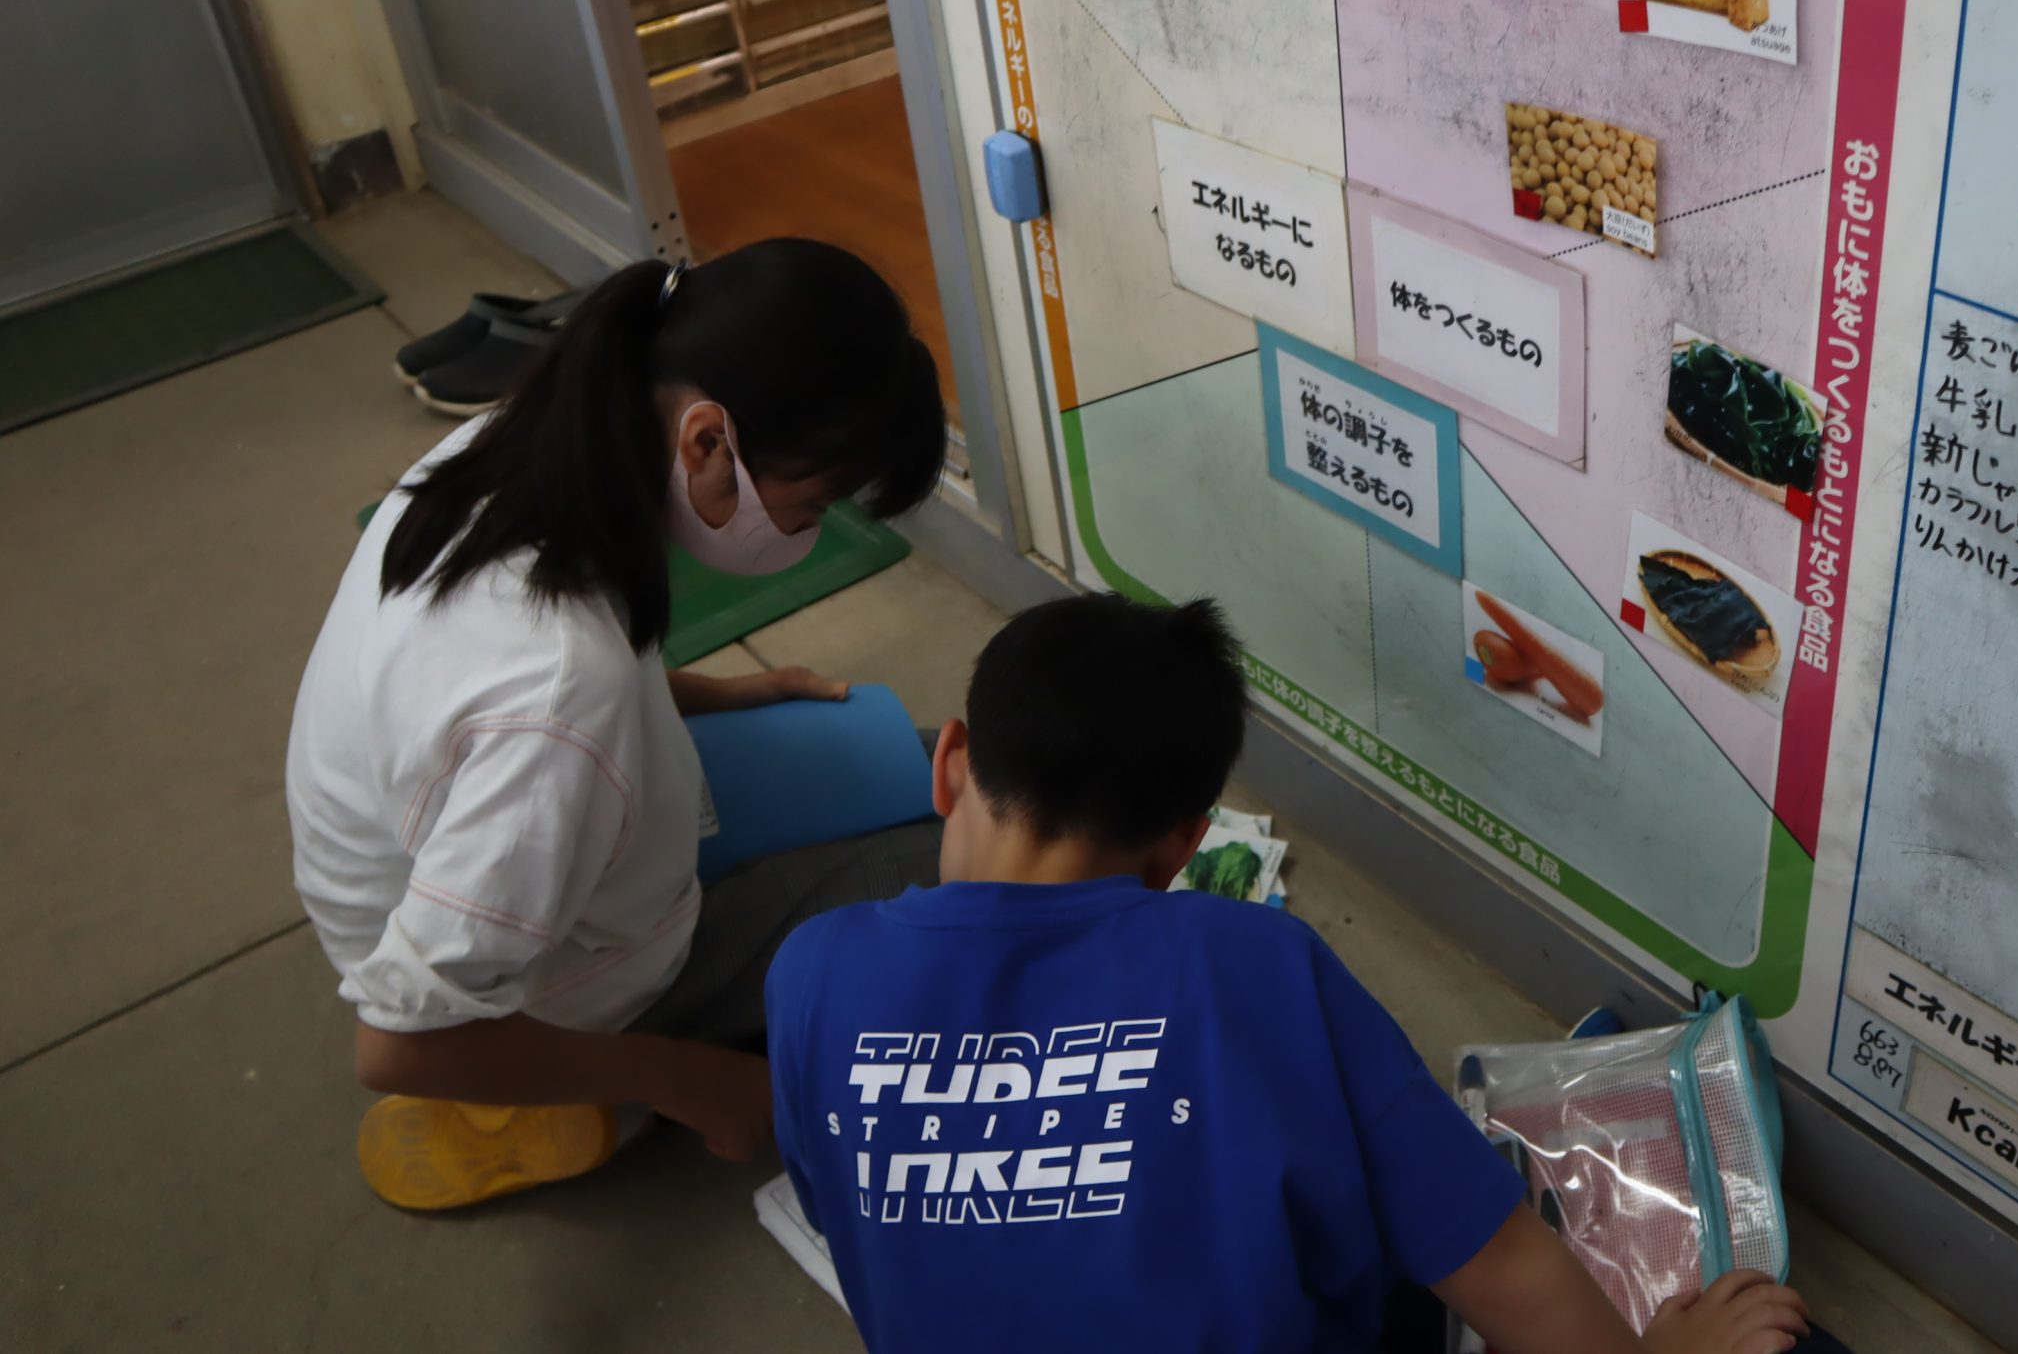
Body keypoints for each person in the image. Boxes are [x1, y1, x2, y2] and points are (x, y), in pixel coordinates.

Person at [764, 593, 1814, 1354]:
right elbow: (1491, 1257)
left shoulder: (812, 972)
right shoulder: (1251, 964)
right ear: (1183, 846)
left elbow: (845, 1206)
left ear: (949, 763)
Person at [286, 238, 949, 1212]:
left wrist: (719, 695)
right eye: (810, 503)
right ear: (707, 442)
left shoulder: (528, 445)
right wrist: (694, 1080)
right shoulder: (558, 702)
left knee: (964, 779)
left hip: (510, 846)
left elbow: (491, 708)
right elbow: (398, 1041)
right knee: (980, 871)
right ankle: (581, 1095)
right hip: (525, 987)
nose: (810, 533)